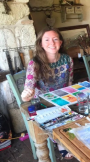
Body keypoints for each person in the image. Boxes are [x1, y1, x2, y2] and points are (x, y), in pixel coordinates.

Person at [21, 28, 74, 160]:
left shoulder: (67, 59)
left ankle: (66, 139)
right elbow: (28, 89)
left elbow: (70, 84)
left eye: (55, 39)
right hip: (44, 104)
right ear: (41, 44)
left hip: (63, 99)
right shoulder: (35, 63)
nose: (52, 42)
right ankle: (62, 142)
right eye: (47, 40)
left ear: (60, 42)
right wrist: (26, 95)